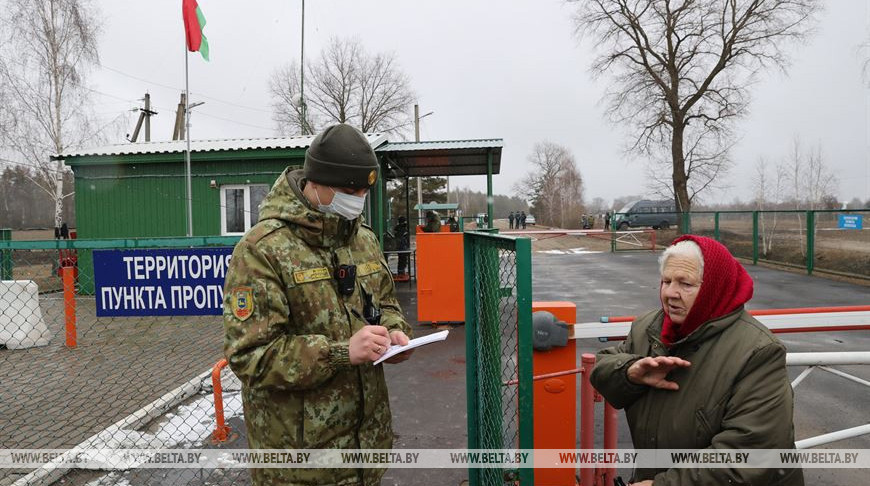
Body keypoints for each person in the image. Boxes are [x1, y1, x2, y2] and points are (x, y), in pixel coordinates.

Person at [223, 123, 414, 486]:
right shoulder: (262, 250)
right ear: (317, 182)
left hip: (364, 451)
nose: (357, 199)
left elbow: (385, 303)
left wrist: (394, 333)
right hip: (300, 464)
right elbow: (250, 356)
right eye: (349, 191)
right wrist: (340, 353)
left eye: (364, 191)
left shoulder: (362, 239)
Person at [590, 235, 802, 486]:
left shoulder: (759, 352)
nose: (670, 293)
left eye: (685, 284)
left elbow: (751, 454)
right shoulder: (648, 327)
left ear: (714, 288)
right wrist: (629, 373)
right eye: (666, 281)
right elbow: (602, 368)